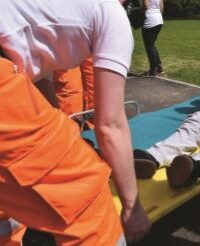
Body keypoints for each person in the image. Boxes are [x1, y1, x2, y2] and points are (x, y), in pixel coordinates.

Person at [0, 0, 150, 245]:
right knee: (86, 201)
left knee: (6, 212)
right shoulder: (110, 13)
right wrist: (133, 209)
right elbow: (110, 124)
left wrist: (65, 134)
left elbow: (39, 77)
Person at [141, 0, 164, 76]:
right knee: (152, 45)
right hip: (159, 20)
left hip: (149, 21)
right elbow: (161, 8)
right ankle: (159, 66)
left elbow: (146, 6)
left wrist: (138, 12)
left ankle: (153, 70)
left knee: (149, 46)